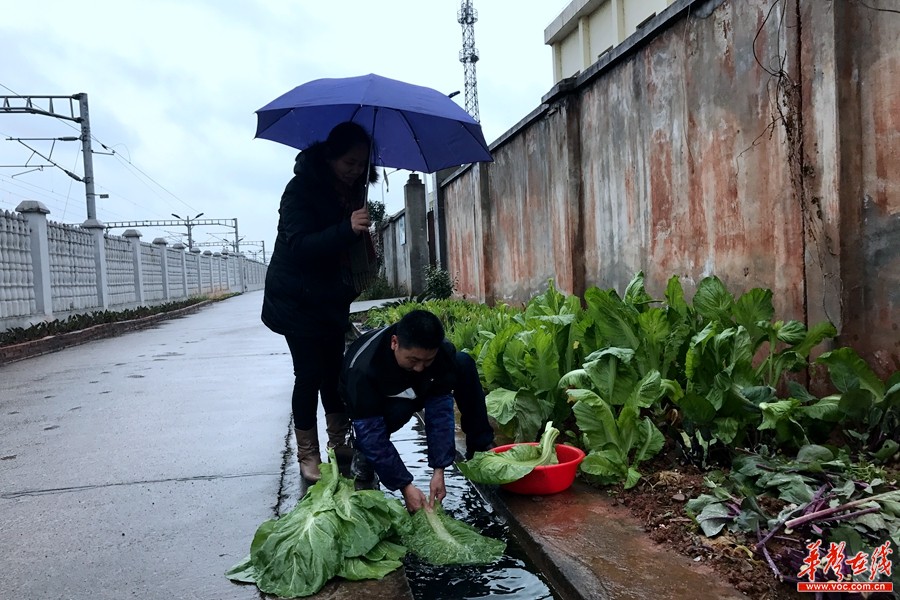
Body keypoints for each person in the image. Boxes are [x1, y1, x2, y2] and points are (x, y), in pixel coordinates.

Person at [261, 122, 379, 482]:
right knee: (309, 374)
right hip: (296, 298)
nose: (356, 170)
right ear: (329, 155)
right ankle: (307, 454)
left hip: (330, 296)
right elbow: (299, 246)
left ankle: (338, 441)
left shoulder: (352, 191)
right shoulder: (300, 191)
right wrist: (347, 229)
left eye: (362, 164)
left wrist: (357, 231)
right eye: (349, 162)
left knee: (333, 374)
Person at [339, 309, 495, 513]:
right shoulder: (363, 371)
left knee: (463, 363)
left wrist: (440, 469)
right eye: (413, 360)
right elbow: (371, 431)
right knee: (394, 415)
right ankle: (363, 461)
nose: (420, 367)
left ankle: (480, 447)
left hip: (414, 388)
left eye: (427, 361)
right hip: (374, 402)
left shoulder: (441, 354)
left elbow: (439, 413)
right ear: (394, 343)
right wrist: (405, 486)